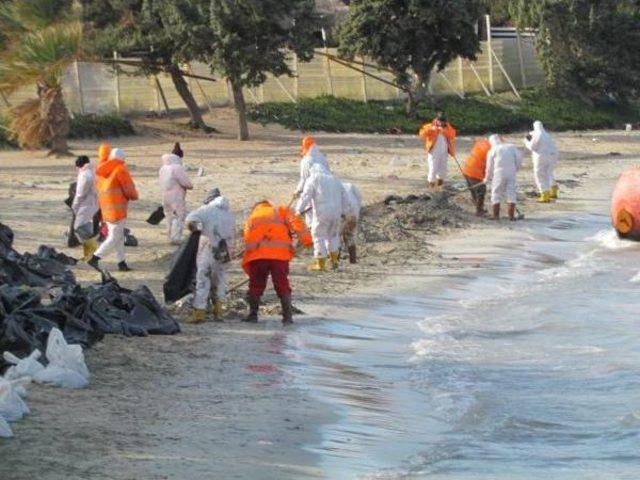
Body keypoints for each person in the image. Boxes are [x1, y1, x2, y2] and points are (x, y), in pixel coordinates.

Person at [242, 200, 312, 325]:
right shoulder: (280, 210)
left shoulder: (252, 217)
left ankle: (253, 315)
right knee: (282, 284)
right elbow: (297, 223)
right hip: (279, 256)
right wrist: (307, 240)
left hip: (258, 257)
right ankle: (287, 318)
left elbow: (247, 237)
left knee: (255, 285)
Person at [186, 189, 235, 323]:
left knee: (203, 280)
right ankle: (218, 313)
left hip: (208, 250)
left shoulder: (205, 210)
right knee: (219, 281)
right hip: (225, 253)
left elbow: (190, 220)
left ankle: (199, 313)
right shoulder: (229, 215)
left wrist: (196, 229)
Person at [89, 147, 139, 272]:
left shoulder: (103, 170)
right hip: (117, 209)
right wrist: (134, 196)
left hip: (106, 207)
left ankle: (122, 263)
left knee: (118, 236)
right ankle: (94, 258)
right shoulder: (120, 169)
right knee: (114, 237)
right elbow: (129, 189)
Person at [297, 163, 351, 272]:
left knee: (318, 235)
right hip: (336, 213)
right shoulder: (335, 179)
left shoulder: (313, 179)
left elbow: (306, 196)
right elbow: (345, 196)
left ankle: (320, 263)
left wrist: (298, 210)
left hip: (322, 213)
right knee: (333, 236)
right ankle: (334, 260)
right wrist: (345, 211)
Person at [159, 144, 193, 244]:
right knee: (178, 215)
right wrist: (190, 185)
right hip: (176, 195)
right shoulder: (177, 168)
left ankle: (169, 234)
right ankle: (176, 237)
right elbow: (185, 182)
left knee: (168, 215)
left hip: (165, 194)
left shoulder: (163, 168)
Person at [484, 134, 523, 221]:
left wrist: (487, 178)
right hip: (511, 172)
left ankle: (496, 216)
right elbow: (519, 157)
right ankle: (511, 217)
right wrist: (516, 168)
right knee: (511, 193)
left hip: (498, 173)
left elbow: (489, 166)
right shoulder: (511, 146)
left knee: (496, 193)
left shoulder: (492, 150)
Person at [71, 155, 99, 260]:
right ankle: (89, 253)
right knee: (86, 227)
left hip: (86, 204)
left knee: (79, 228)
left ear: (78, 166)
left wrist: (75, 206)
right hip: (95, 203)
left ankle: (91, 254)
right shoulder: (93, 171)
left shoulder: (84, 175)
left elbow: (80, 194)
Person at [418, 113, 457, 189]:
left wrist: (444, 131)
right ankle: (431, 186)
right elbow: (421, 134)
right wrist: (433, 129)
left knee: (443, 170)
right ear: (437, 120)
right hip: (433, 151)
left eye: (444, 121)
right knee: (433, 168)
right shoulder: (430, 126)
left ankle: (439, 185)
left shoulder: (448, 127)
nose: (442, 123)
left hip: (444, 152)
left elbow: (453, 134)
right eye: (440, 121)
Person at [524, 121, 559, 203]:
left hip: (541, 157)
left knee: (539, 175)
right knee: (548, 173)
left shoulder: (537, 135)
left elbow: (532, 147)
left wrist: (526, 142)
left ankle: (544, 194)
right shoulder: (547, 135)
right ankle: (553, 190)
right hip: (551, 156)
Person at [462, 138, 492, 216]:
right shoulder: (491, 150)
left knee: (474, 190)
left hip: (466, 169)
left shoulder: (482, 142)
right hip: (474, 172)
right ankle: (479, 211)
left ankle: (478, 207)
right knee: (481, 190)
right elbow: (491, 167)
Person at [340, 181, 362, 264]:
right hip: (353, 210)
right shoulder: (349, 185)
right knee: (350, 235)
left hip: (341, 210)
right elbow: (359, 199)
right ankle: (353, 260)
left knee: (334, 236)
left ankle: (334, 260)